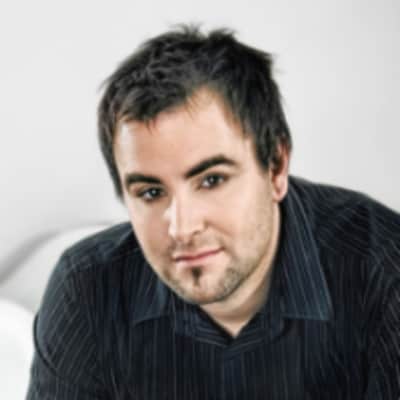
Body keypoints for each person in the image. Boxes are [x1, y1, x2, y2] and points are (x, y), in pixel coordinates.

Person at [26, 25, 400, 399]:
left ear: (275, 167)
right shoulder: (87, 290)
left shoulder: (384, 271)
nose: (181, 227)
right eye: (151, 192)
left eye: (211, 180)